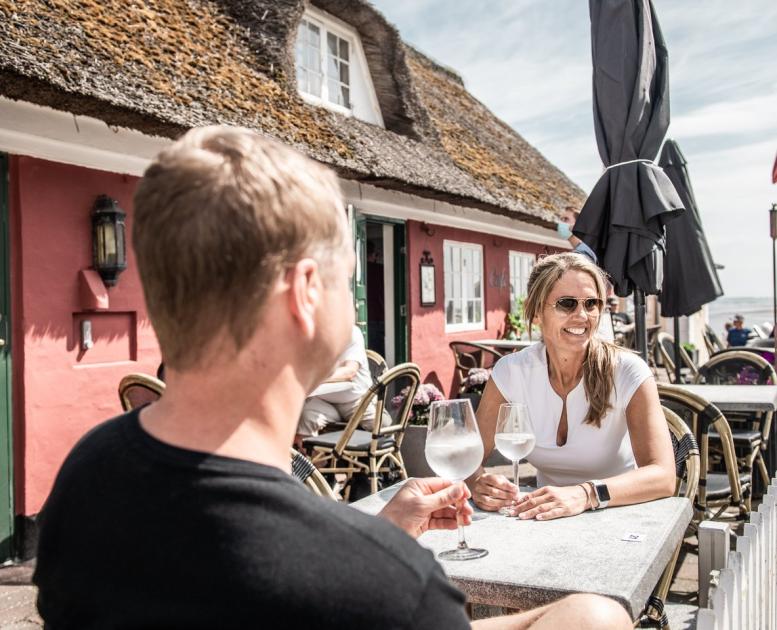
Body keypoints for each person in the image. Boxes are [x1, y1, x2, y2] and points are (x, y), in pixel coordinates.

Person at [33, 127, 630, 629]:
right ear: (304, 296)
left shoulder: (86, 477)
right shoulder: (384, 588)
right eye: (347, 281)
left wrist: (372, 528)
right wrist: (584, 613)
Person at [468, 252, 675, 519]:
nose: (582, 315)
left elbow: (663, 476)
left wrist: (585, 494)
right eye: (567, 304)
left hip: (621, 516)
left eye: (591, 303)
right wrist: (477, 483)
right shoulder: (511, 372)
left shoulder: (626, 371)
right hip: (545, 519)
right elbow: (470, 461)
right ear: (536, 312)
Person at [298, 323, 380, 440]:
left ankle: (384, 457)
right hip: (323, 400)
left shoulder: (351, 333)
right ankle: (312, 457)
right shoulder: (310, 335)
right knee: (303, 419)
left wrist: (316, 378)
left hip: (356, 401)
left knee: (382, 428)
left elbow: (349, 372)